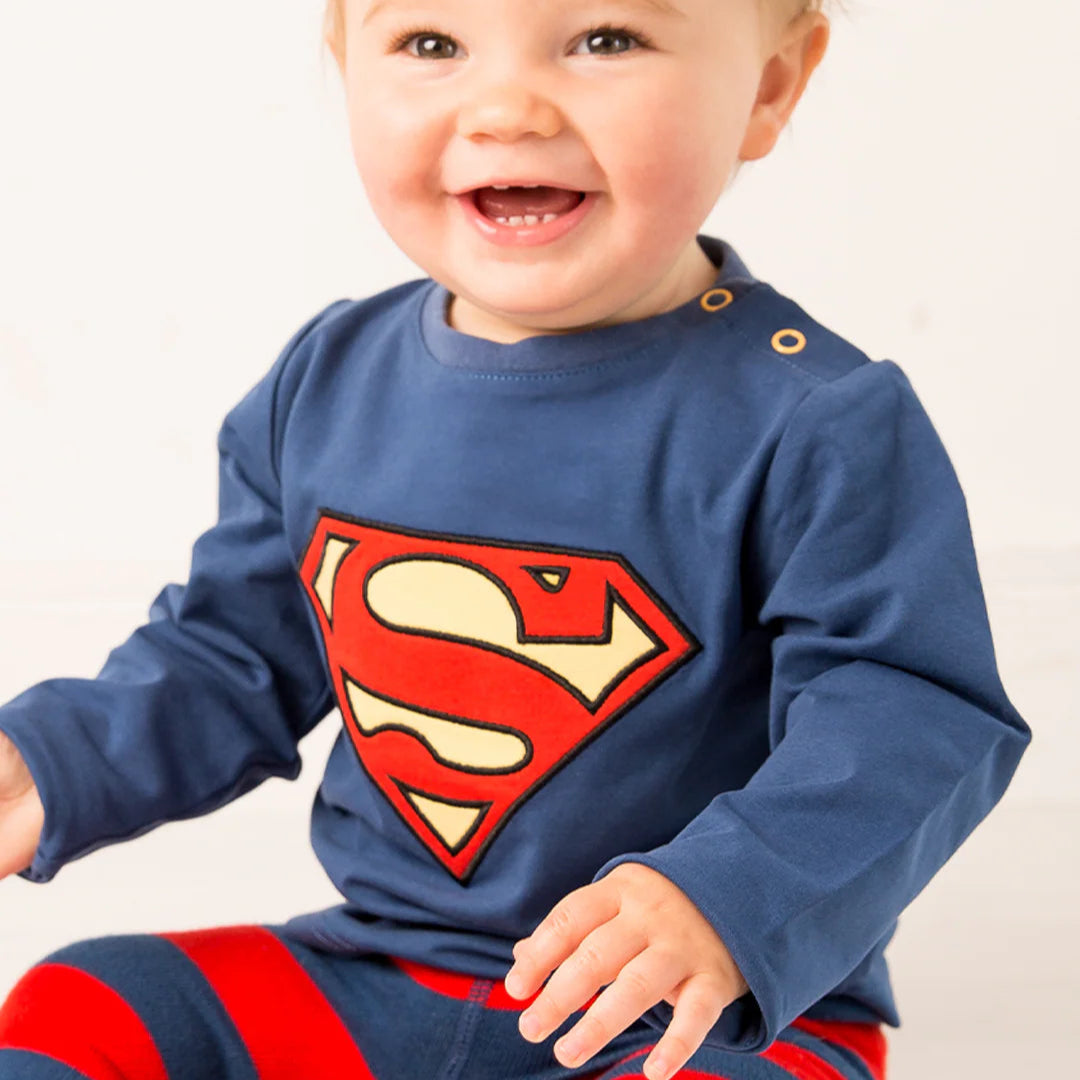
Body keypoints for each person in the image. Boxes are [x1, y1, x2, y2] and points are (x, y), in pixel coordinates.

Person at [0, 1, 1031, 1078]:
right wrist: (45, 765)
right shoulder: (328, 383)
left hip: (693, 1019)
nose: (505, 108)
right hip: (386, 971)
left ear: (769, 88)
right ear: (346, 69)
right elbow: (228, 660)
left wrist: (727, 899)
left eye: (607, 39)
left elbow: (914, 715)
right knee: (90, 999)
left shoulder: (814, 417)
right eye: (432, 44)